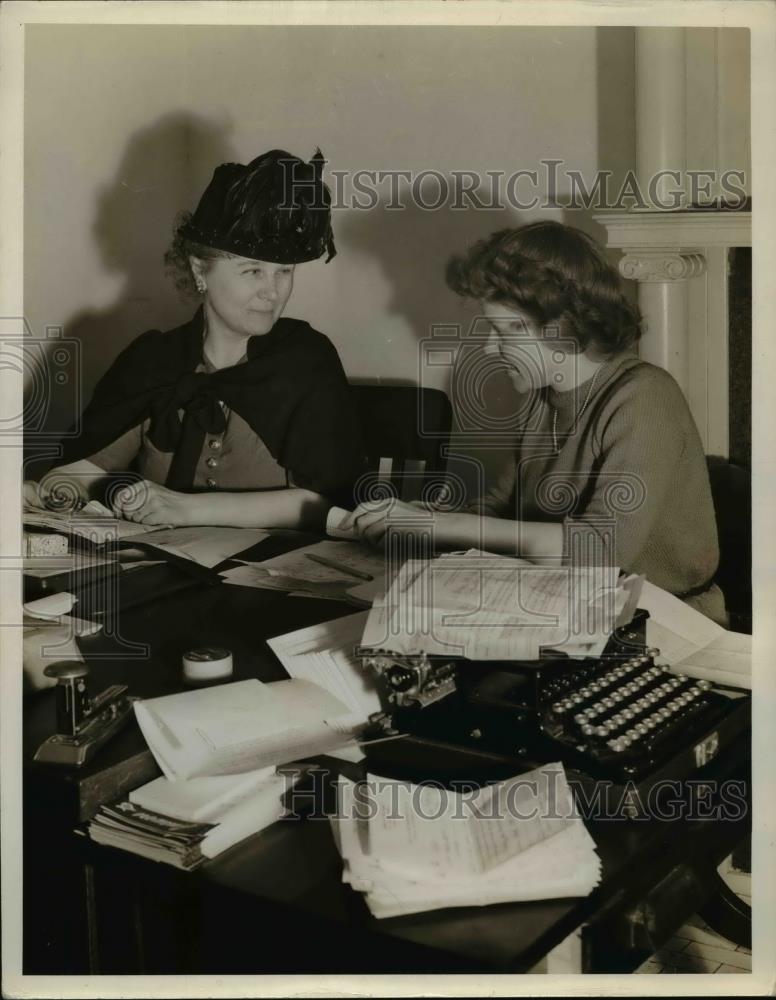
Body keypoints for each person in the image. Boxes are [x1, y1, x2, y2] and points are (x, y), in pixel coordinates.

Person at [345, 221, 726, 624]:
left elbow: (600, 551)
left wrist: (444, 524)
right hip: (569, 604)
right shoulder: (542, 397)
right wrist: (421, 516)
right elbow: (500, 508)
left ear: (564, 326)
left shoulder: (645, 396)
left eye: (507, 330)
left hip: (666, 621)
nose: (491, 347)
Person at [26, 148, 364, 529]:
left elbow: (325, 504)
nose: (273, 292)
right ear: (199, 269)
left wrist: (187, 509)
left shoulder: (306, 360)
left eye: (283, 272)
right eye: (253, 271)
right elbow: (85, 468)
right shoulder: (153, 359)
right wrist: (52, 491)